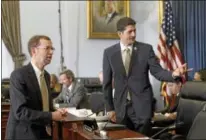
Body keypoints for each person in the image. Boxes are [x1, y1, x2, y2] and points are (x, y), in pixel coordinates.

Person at [103, 17, 191, 135]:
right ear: (120, 34)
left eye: (135, 31)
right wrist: (110, 108)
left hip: (142, 107)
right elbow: (107, 83)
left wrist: (173, 74)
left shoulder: (146, 49)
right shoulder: (109, 53)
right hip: (121, 109)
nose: (134, 34)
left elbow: (157, 72)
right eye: (130, 31)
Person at [5, 35, 67, 140]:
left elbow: (43, 106)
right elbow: (20, 112)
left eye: (52, 48)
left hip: (44, 133)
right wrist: (51, 116)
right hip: (24, 134)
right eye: (47, 48)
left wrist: (56, 111)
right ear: (34, 51)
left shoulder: (47, 76)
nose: (51, 52)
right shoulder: (18, 75)